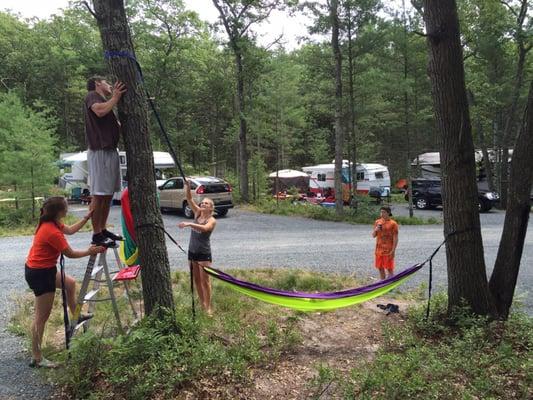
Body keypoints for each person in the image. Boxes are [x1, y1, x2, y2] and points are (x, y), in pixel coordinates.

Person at [25, 197, 106, 368]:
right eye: (66, 207)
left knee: (70, 283)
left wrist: (85, 218)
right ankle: (37, 357)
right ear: (59, 211)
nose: (68, 209)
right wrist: (89, 251)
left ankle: (76, 316)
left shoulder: (53, 222)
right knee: (41, 317)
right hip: (41, 273)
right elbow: (70, 253)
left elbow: (70, 230)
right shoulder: (51, 231)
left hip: (42, 269)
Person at [84, 75, 126, 246]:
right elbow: (100, 111)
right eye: (106, 82)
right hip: (99, 150)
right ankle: (96, 234)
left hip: (110, 151)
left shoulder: (105, 102)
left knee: (108, 195)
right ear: (97, 84)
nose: (109, 85)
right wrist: (115, 97)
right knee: (99, 194)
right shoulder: (92, 96)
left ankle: (102, 229)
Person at [178, 180, 217, 315]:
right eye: (202, 202)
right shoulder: (198, 213)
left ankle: (209, 307)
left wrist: (189, 224)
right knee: (196, 280)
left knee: (205, 281)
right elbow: (189, 198)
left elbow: (205, 228)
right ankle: (202, 304)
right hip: (192, 251)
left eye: (206, 203)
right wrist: (188, 187)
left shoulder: (211, 220)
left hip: (204, 253)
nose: (202, 204)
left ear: (211, 208)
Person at [372, 206, 399, 280]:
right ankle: (382, 283)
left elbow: (395, 238)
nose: (382, 214)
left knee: (389, 268)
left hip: (388, 249)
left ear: (388, 213)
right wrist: (376, 229)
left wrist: (393, 250)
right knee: (380, 268)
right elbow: (373, 235)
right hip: (379, 249)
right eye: (381, 212)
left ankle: (390, 284)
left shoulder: (393, 224)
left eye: (384, 212)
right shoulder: (377, 222)